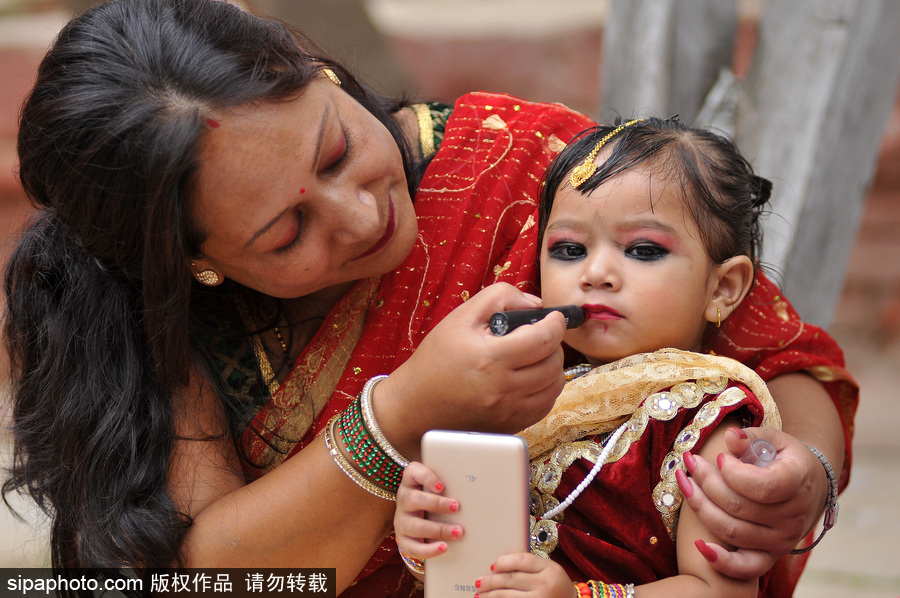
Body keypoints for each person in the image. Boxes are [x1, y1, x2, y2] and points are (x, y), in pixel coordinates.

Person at [1, 0, 855, 596]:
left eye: (336, 151)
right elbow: (214, 579)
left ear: (320, 71)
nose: (361, 213)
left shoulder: (523, 164)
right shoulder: (160, 326)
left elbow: (784, 359)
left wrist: (802, 478)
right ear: (200, 268)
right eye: (285, 233)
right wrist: (398, 416)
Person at [392, 118, 823, 597]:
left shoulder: (706, 421)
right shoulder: (519, 394)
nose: (596, 273)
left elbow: (721, 591)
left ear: (722, 288)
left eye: (642, 249)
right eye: (570, 249)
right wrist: (428, 537)